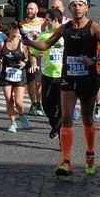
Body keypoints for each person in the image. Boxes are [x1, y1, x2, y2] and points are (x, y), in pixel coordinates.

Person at [25, 0, 100, 176]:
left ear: (87, 8)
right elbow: (46, 44)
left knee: (87, 118)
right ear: (70, 9)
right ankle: (66, 160)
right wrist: (29, 42)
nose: (77, 8)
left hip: (88, 79)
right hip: (68, 78)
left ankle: (90, 155)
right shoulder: (65, 28)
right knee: (66, 119)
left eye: (81, 5)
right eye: (74, 5)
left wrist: (94, 59)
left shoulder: (94, 27)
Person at [31, 8, 64, 139]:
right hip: (48, 76)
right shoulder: (44, 36)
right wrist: (34, 64)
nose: (46, 22)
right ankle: (55, 125)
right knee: (47, 106)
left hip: (63, 76)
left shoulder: (66, 35)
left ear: (55, 20)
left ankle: (61, 134)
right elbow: (33, 53)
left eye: (48, 20)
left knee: (62, 107)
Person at [0, 21, 31, 133]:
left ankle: (21, 114)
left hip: (19, 74)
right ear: (9, 29)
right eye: (15, 28)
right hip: (6, 74)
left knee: (18, 102)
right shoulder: (2, 44)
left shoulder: (23, 44)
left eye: (18, 29)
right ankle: (13, 123)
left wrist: (24, 63)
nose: (17, 30)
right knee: (8, 100)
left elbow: (27, 58)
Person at [20, 2, 45, 117]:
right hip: (26, 55)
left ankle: (39, 102)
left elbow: (48, 36)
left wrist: (38, 34)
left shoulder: (44, 22)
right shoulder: (22, 23)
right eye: (28, 8)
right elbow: (19, 39)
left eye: (32, 9)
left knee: (38, 80)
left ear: (37, 10)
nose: (29, 10)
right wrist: (30, 34)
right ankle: (33, 103)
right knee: (29, 81)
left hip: (40, 55)